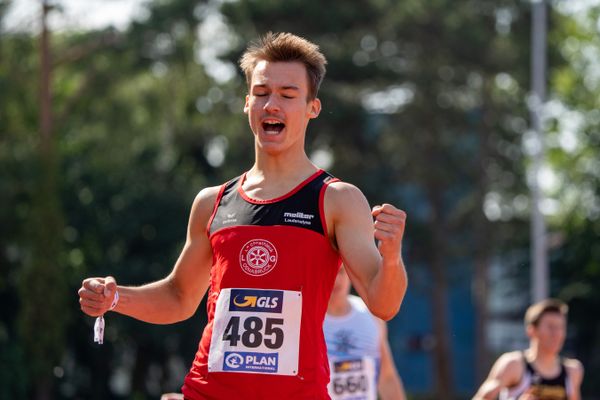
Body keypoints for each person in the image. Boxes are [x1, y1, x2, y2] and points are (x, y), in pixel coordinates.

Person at [78, 32, 408, 399]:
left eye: (288, 95)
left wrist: (392, 257)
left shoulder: (336, 200)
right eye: (262, 92)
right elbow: (179, 297)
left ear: (312, 107)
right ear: (247, 102)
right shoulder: (212, 202)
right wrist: (116, 298)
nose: (272, 105)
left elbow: (384, 304)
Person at [472, 298, 584, 400]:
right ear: (532, 330)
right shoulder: (514, 364)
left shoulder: (572, 371)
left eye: (560, 327)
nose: (556, 334)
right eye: (550, 327)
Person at [324, 266, 407, 400]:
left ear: (350, 274)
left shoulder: (370, 314)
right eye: (328, 272)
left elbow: (387, 378)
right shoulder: (307, 320)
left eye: (340, 272)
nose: (335, 279)